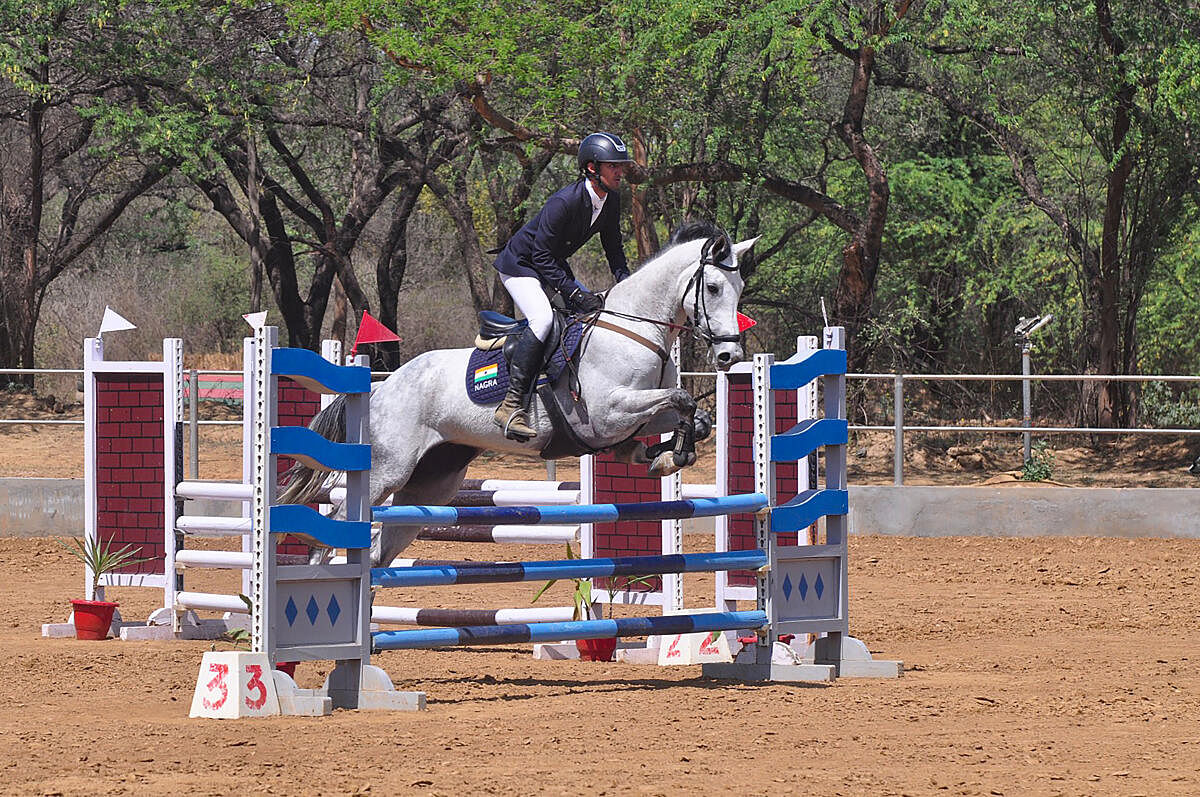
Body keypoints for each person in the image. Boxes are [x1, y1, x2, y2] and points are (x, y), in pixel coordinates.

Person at [491, 131, 634, 440]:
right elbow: (540, 255)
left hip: (549, 265)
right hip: (521, 265)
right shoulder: (564, 201)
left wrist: (626, 282)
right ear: (593, 168)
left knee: (589, 317)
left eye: (621, 166)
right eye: (614, 166)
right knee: (542, 320)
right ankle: (511, 404)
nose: (620, 172)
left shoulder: (611, 200)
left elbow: (614, 247)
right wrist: (572, 291)